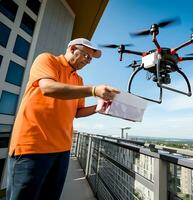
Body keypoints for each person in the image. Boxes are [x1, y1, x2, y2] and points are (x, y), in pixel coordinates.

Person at [6, 38, 120, 200]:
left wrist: (98, 108)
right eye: (87, 56)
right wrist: (94, 90)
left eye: (90, 59)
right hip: (33, 146)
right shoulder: (47, 60)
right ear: (73, 48)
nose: (88, 61)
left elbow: (77, 111)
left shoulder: (79, 80)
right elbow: (47, 88)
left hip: (62, 149)